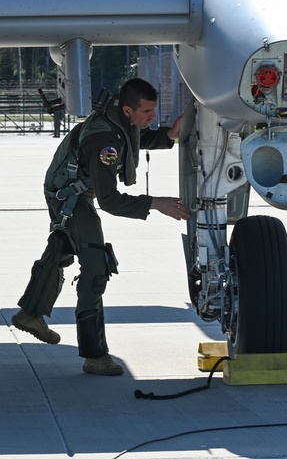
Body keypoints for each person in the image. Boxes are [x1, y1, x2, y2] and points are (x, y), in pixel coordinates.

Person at [12, 79, 190, 375]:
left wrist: (168, 135)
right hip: (70, 195)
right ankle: (95, 356)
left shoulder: (119, 119)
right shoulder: (104, 141)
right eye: (147, 111)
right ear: (128, 109)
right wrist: (156, 203)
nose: (152, 117)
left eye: (154, 111)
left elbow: (135, 139)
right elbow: (109, 200)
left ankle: (30, 314)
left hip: (70, 189)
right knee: (95, 265)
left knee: (63, 247)